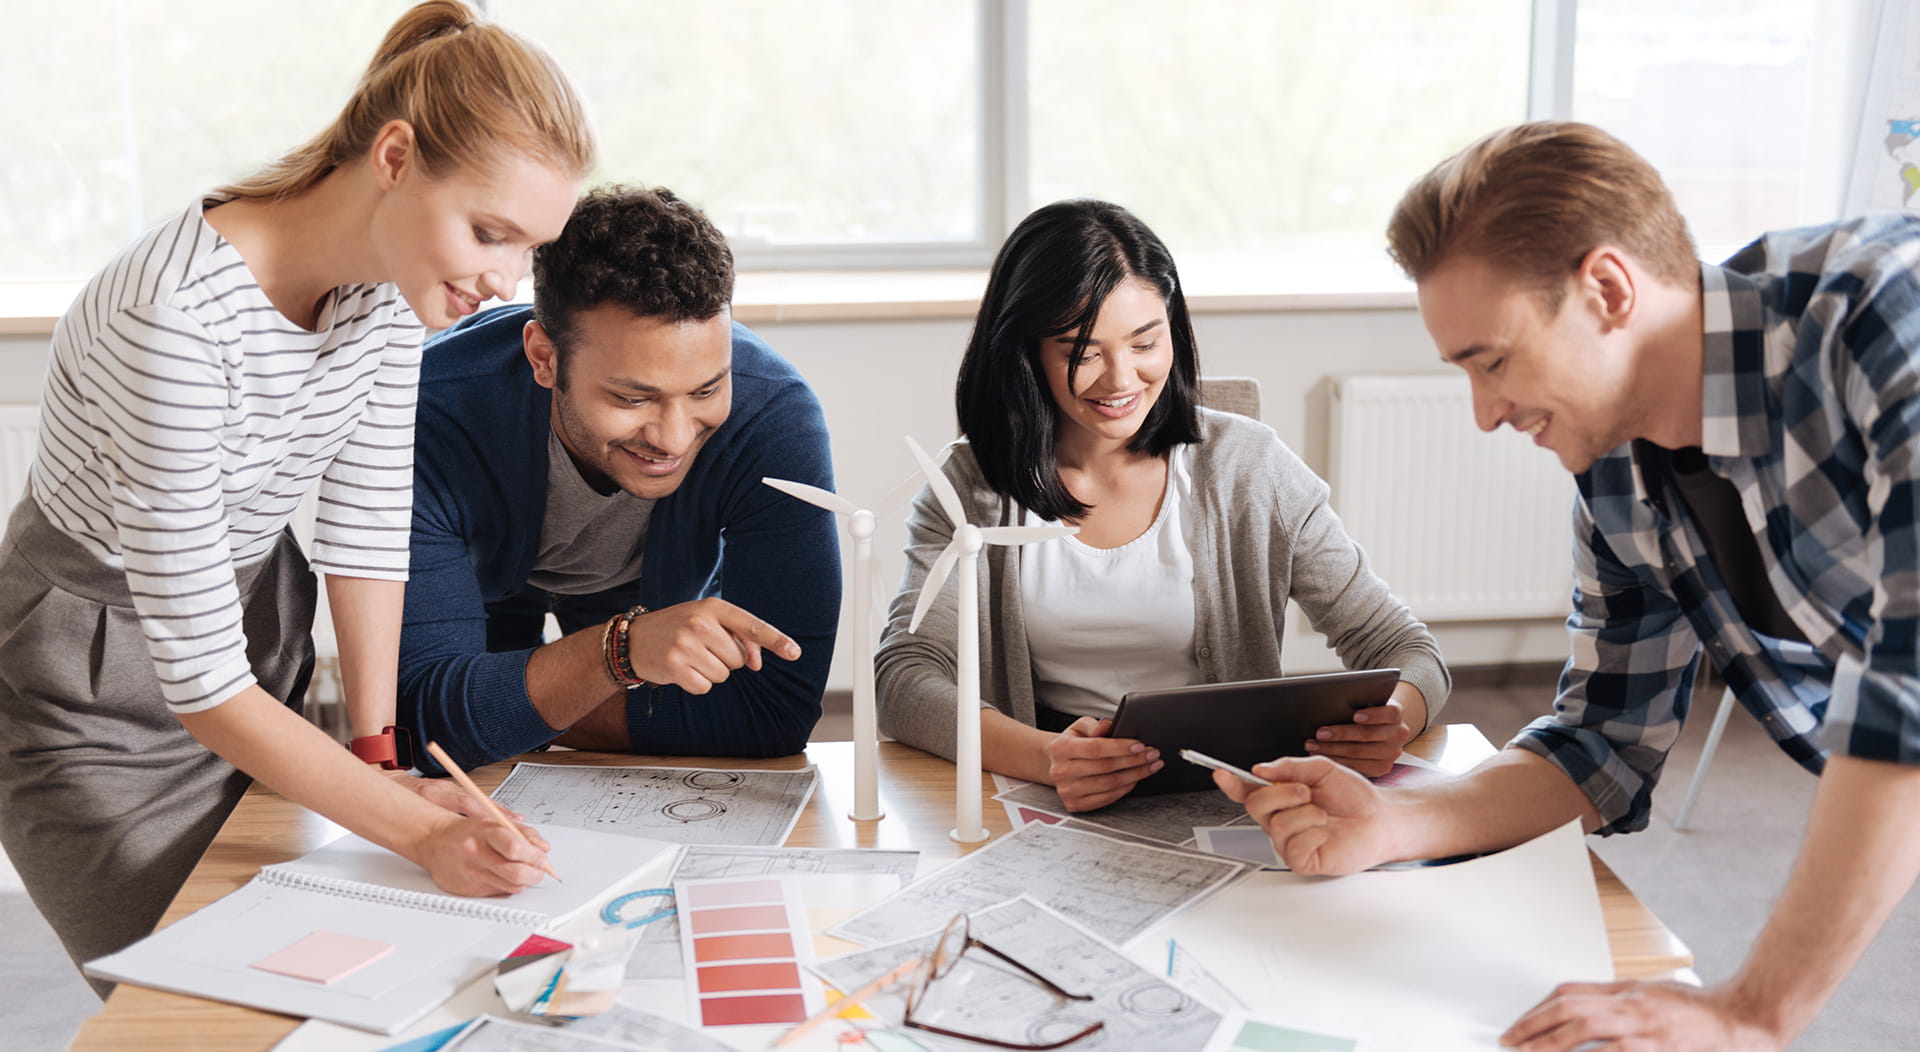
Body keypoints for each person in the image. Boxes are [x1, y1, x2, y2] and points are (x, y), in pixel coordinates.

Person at [1217, 120, 1920, 1051]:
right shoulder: (1617, 476)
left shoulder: (1886, 316)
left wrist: (1749, 1013)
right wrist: (1396, 820)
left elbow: (1907, 694)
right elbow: (1600, 747)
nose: (1485, 414)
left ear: (1607, 290)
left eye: (1493, 361)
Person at [0, 0, 592, 988]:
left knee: (312, 976)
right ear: (394, 158)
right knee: (187, 999)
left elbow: (365, 529)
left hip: (252, 643)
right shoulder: (173, 318)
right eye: (490, 233)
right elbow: (201, 683)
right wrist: (413, 829)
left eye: (527, 247)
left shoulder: (395, 285)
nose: (505, 279)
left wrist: (378, 758)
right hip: (91, 684)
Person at [876, 199, 1450, 811]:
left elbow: (1407, 650)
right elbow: (905, 677)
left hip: (1227, 794)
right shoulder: (970, 487)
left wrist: (1394, 718)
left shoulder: (1250, 467)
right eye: (1082, 352)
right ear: (1026, 352)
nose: (1121, 380)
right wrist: (1045, 757)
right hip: (1051, 794)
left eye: (1144, 342)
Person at [395, 185, 839, 773]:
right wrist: (617, 654)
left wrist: (502, 707)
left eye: (706, 389)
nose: (673, 439)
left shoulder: (774, 417)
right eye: (632, 398)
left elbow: (772, 712)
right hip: (483, 589)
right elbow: (424, 721)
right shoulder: (425, 416)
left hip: (646, 599)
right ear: (544, 358)